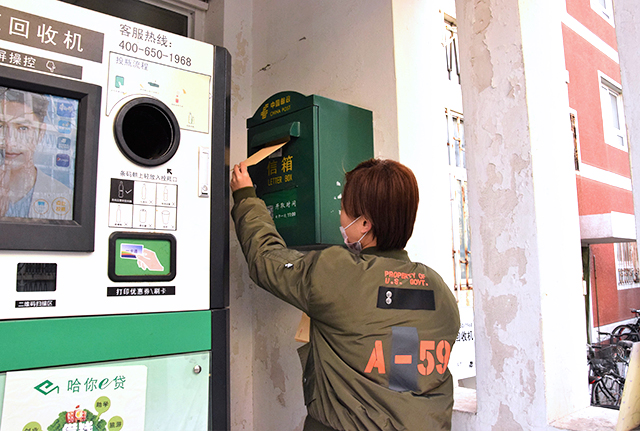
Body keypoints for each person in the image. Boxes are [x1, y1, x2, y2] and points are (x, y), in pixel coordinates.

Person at [231, 158, 461, 431]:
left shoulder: (340, 275)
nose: (340, 216)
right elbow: (402, 374)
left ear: (364, 224)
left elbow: (266, 259)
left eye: (344, 209)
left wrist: (245, 195)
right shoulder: (439, 289)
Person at [0, 87, 73, 219]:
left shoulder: (64, 196)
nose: (9, 142)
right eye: (1, 126)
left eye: (23, 128)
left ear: (41, 133)